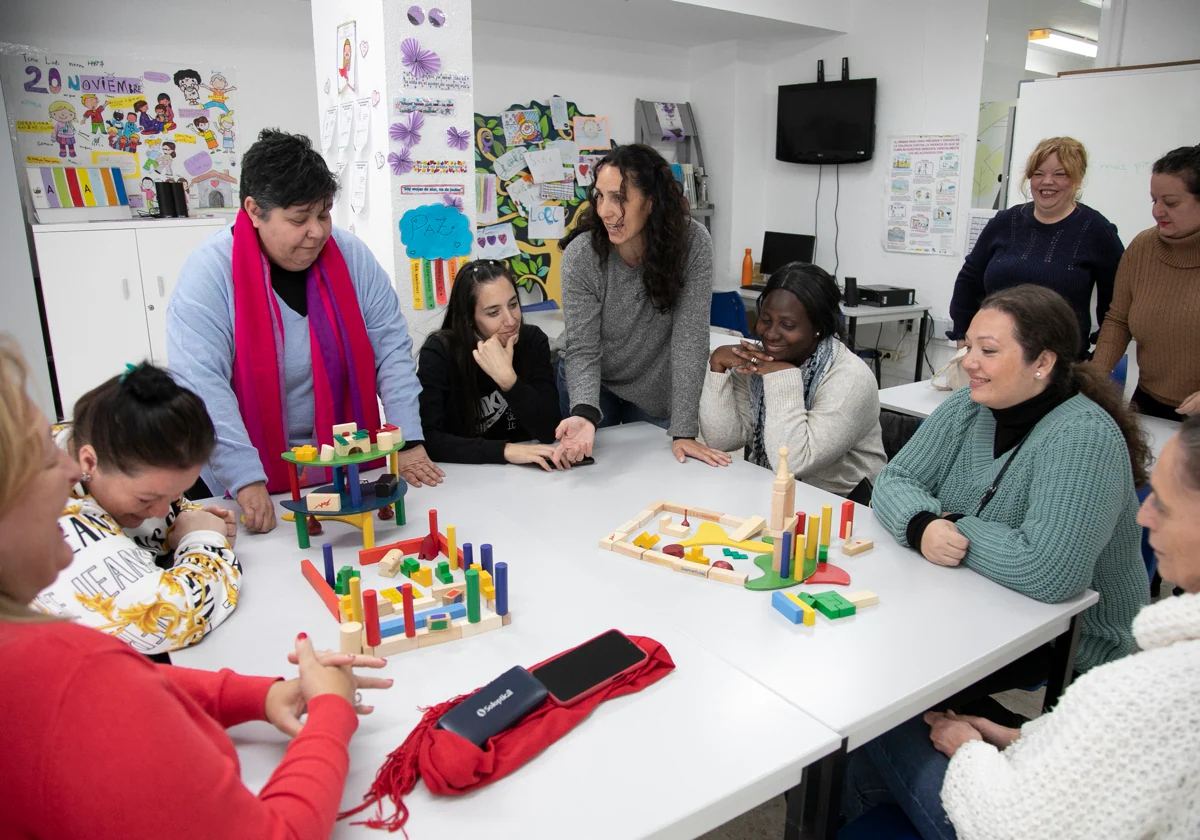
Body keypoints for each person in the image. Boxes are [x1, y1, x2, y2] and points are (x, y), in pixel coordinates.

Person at [0, 338, 392, 839]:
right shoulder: (73, 669)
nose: (69, 471)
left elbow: (117, 684)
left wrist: (254, 695)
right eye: (41, 456)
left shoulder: (44, 661)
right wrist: (331, 718)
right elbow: (119, 665)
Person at [841, 416, 1200, 840]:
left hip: (1001, 814)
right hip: (1041, 769)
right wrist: (1020, 736)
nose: (1143, 514)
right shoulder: (1157, 687)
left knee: (866, 716)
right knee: (864, 749)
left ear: (1042, 360)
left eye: (1162, 501)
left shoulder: (1152, 691)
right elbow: (1119, 759)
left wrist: (968, 749)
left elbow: (1010, 826)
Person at [167, 129, 442, 535]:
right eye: (299, 219)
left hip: (345, 464)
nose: (317, 232)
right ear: (254, 211)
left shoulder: (352, 258)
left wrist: (407, 440)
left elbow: (392, 352)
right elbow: (202, 386)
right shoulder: (209, 273)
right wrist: (245, 476)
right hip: (247, 471)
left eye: (324, 214)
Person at [873, 285, 1150, 683]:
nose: (968, 363)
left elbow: (1050, 572)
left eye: (987, 351)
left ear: (1042, 363)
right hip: (968, 600)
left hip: (1064, 638)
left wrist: (954, 525)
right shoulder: (968, 405)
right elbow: (895, 479)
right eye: (967, 347)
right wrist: (921, 525)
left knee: (892, 675)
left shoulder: (1084, 438)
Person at [32, 363, 241, 658]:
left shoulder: (116, 458)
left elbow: (177, 512)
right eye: (146, 500)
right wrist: (204, 541)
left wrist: (187, 525)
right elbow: (165, 617)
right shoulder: (52, 509)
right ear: (89, 463)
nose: (160, 512)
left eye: (178, 493)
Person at [554, 143, 730, 469]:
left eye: (619, 198)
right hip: (594, 382)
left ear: (651, 202)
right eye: (600, 196)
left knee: (656, 476)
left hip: (653, 384)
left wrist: (685, 429)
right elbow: (583, 348)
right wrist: (584, 412)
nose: (606, 210)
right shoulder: (583, 254)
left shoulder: (691, 243)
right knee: (592, 477)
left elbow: (689, 340)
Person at [698, 262, 885, 497]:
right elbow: (723, 439)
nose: (770, 334)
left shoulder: (851, 379)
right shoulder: (759, 359)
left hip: (841, 506)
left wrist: (781, 375)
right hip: (772, 492)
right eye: (765, 319)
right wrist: (717, 367)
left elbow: (794, 462)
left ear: (818, 327)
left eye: (788, 325)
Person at [948, 137, 1124, 357]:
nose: (1046, 182)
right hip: (994, 357)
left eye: (1060, 174)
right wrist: (963, 334)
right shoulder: (1005, 222)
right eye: (1038, 174)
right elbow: (969, 279)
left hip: (1059, 365)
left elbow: (1116, 305)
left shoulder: (1096, 230)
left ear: (1078, 179)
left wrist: (1101, 358)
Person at [417, 259, 562, 467]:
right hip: (464, 475)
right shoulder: (441, 351)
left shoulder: (532, 340)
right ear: (469, 318)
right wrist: (504, 450)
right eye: (493, 312)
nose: (511, 321)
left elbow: (549, 430)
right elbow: (429, 439)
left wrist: (509, 382)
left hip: (525, 474)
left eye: (513, 305)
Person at [1093, 145, 1200, 419]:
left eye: (1171, 203)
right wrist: (1092, 379)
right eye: (1154, 200)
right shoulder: (1143, 247)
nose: (1158, 212)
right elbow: (1119, 321)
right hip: (1149, 403)